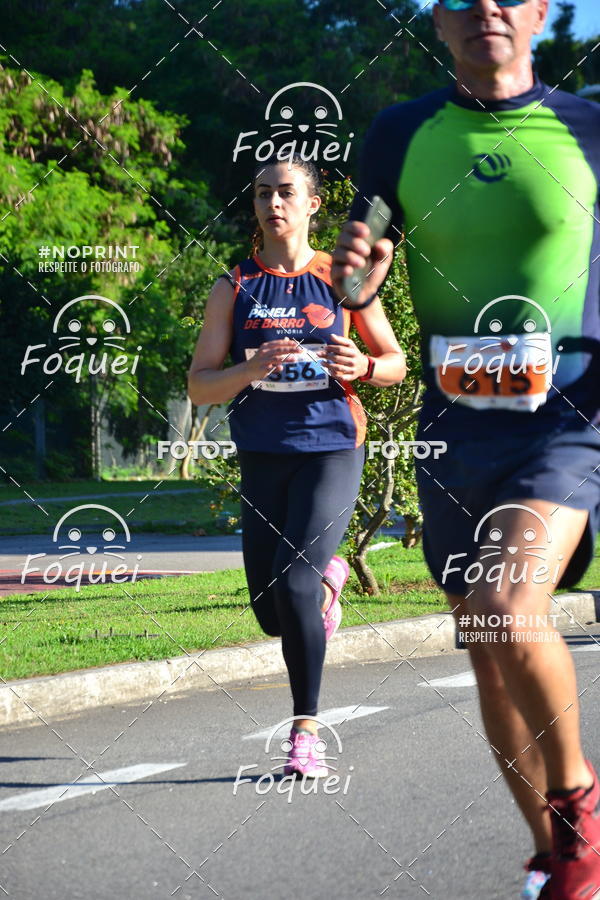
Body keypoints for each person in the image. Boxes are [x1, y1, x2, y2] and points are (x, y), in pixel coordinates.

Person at [332, 1, 600, 897]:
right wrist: (360, 279)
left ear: (539, 13)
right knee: (484, 638)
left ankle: (579, 818)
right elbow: (366, 260)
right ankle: (548, 854)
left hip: (567, 421)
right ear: (436, 22)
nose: (486, 7)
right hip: (455, 430)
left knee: (507, 603)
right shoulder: (402, 132)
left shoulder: (588, 129)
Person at [188, 154, 405, 778]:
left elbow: (393, 363)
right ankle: (330, 576)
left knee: (296, 586)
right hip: (262, 452)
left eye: (286, 192)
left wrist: (361, 367)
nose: (272, 203)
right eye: (262, 194)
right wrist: (249, 370)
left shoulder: (342, 281)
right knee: (269, 609)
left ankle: (304, 733)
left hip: (332, 446)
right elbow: (200, 386)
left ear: (312, 204)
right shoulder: (234, 286)